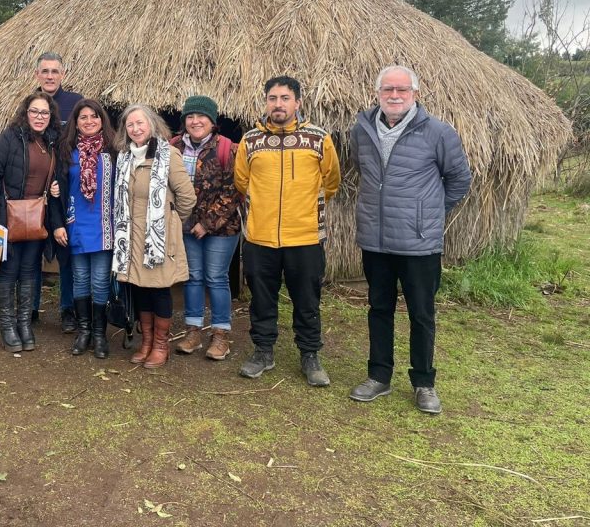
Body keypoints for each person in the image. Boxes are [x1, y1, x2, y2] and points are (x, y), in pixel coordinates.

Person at [349, 66, 472, 415]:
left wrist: (428, 214)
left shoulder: (438, 133)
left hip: (420, 244)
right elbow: (364, 171)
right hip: (376, 240)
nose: (395, 95)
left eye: (402, 90)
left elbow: (460, 180)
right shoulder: (362, 130)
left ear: (415, 94)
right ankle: (378, 376)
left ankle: (424, 382)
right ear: (377, 93)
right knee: (379, 309)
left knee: (421, 314)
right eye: (388, 89)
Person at [234, 76, 341, 386]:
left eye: (284, 98)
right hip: (260, 237)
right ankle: (263, 351)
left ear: (298, 103)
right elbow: (242, 181)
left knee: (307, 298)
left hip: (305, 236)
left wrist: (303, 209)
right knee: (261, 298)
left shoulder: (319, 139)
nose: (278, 104)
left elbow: (330, 182)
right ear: (266, 102)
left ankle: (310, 354)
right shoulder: (251, 141)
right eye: (272, 98)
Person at [112, 104, 196, 369]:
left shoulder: (167, 155)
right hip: (131, 237)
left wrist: (169, 222)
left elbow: (187, 198)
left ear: (152, 124)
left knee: (159, 289)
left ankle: (161, 345)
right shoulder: (124, 157)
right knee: (138, 290)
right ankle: (146, 342)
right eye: (130, 125)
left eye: (140, 123)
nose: (136, 129)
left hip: (158, 238)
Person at [0, 91, 63, 353]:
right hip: (9, 214)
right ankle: (7, 326)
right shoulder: (10, 138)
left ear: (51, 117)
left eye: (44, 113)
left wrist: (54, 185)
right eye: (34, 112)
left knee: (30, 270)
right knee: (9, 270)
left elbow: (55, 172)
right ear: (25, 113)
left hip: (37, 216)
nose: (39, 117)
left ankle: (24, 324)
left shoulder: (52, 141)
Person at [171, 96, 241, 362]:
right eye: (190, 116)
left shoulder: (227, 149)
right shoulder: (174, 146)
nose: (195, 121)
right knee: (193, 277)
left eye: (201, 116)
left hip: (221, 229)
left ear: (212, 121)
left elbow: (233, 190)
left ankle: (220, 335)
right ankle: (193, 331)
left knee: (216, 277)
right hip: (186, 226)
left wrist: (207, 223)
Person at [53, 100, 116, 358]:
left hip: (105, 225)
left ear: (102, 120)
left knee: (100, 281)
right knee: (80, 280)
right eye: (83, 117)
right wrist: (58, 224)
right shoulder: (67, 151)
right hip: (76, 224)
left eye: (94, 116)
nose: (89, 121)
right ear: (75, 123)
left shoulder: (114, 150)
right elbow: (56, 189)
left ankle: (100, 335)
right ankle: (84, 331)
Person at [32, 51, 83, 332]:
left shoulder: (75, 103)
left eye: (55, 71)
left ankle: (68, 310)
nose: (50, 76)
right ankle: (31, 307)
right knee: (33, 250)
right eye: (45, 71)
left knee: (66, 253)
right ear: (37, 75)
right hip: (34, 192)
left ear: (62, 74)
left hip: (64, 190)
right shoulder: (31, 104)